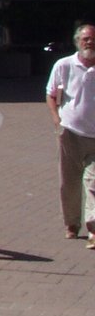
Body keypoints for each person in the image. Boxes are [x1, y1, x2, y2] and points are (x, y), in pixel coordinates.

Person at [46, 21, 95, 243]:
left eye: (93, 39)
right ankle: (72, 223)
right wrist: (57, 121)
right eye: (86, 39)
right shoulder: (64, 65)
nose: (90, 42)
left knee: (93, 182)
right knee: (69, 183)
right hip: (71, 133)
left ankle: (93, 227)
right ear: (78, 42)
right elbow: (50, 95)